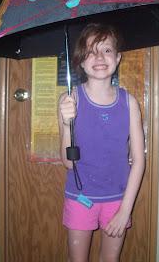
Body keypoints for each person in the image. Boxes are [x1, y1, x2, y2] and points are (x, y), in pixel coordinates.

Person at [58, 23, 145, 262]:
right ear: (81, 61)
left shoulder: (129, 103)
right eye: (91, 51)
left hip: (118, 200)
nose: (98, 57)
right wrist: (67, 125)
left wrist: (125, 210)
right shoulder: (70, 99)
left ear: (117, 58)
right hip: (80, 197)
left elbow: (138, 161)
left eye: (106, 50)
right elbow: (68, 163)